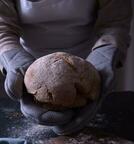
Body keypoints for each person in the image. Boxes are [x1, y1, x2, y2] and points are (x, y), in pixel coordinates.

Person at [0, 0, 132, 136]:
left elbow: (114, 23)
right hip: (30, 72)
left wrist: (105, 54)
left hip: (90, 67)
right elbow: (2, 26)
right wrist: (13, 57)